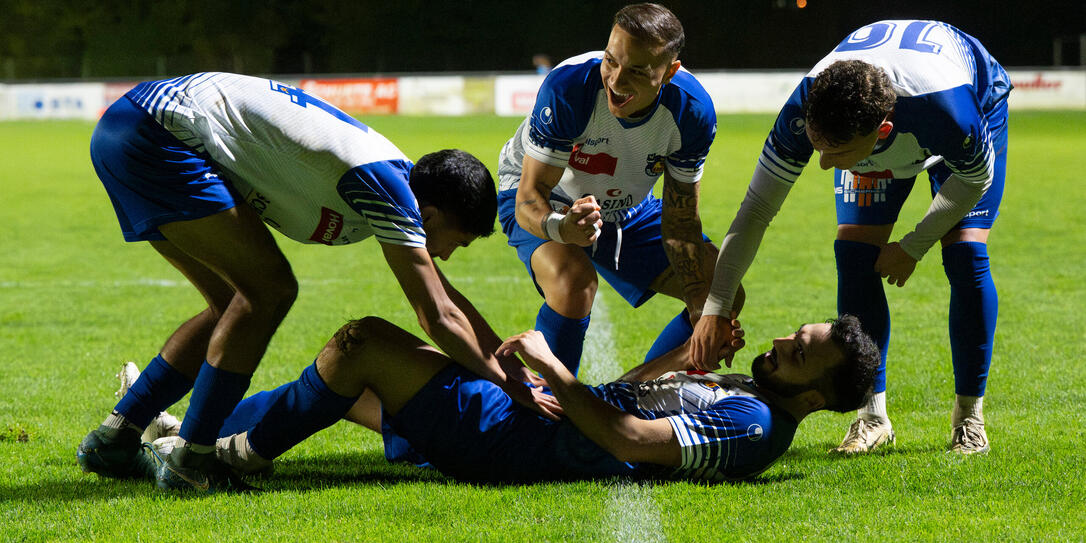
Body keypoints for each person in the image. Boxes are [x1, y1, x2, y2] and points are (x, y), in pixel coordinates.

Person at [76, 72, 552, 493]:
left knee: (230, 302)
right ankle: (191, 462)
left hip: (131, 126)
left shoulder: (398, 183)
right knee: (268, 291)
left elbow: (444, 296)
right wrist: (507, 384)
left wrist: (508, 365)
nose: (445, 254)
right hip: (158, 135)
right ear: (430, 215)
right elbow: (437, 314)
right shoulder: (389, 191)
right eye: (455, 242)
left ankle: (115, 437)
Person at [689, 20, 1010, 455]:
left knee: (965, 255)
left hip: (972, 98)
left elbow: (974, 179)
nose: (823, 165)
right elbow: (756, 210)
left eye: (836, 153)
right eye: (817, 147)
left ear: (881, 132)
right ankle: (872, 417)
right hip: (888, 121)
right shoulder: (805, 105)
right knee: (856, 255)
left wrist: (913, 246)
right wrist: (716, 307)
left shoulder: (949, 113)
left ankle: (969, 416)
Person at [140, 313, 878, 486]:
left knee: (362, 345)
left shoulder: (754, 425)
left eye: (799, 352)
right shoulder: (754, 393)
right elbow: (635, 395)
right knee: (355, 384)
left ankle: (229, 457)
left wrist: (552, 366)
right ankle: (191, 427)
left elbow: (629, 440)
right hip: (534, 419)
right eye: (797, 333)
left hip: (521, 440)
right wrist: (686, 355)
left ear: (817, 395)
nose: (781, 342)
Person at [497, 3, 740, 376]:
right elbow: (530, 197)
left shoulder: (691, 112)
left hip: (628, 206)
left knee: (720, 298)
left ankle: (631, 395)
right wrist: (562, 227)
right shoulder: (570, 87)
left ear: (669, 71)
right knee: (574, 283)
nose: (616, 80)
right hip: (546, 198)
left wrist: (700, 306)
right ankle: (550, 403)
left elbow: (681, 221)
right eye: (611, 61)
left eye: (637, 71)